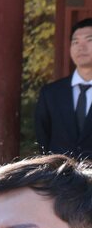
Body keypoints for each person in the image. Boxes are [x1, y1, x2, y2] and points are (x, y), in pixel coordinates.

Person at [34, 17, 92, 159]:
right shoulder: (50, 93)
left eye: (89, 40)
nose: (81, 47)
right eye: (75, 42)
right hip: (61, 177)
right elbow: (43, 139)